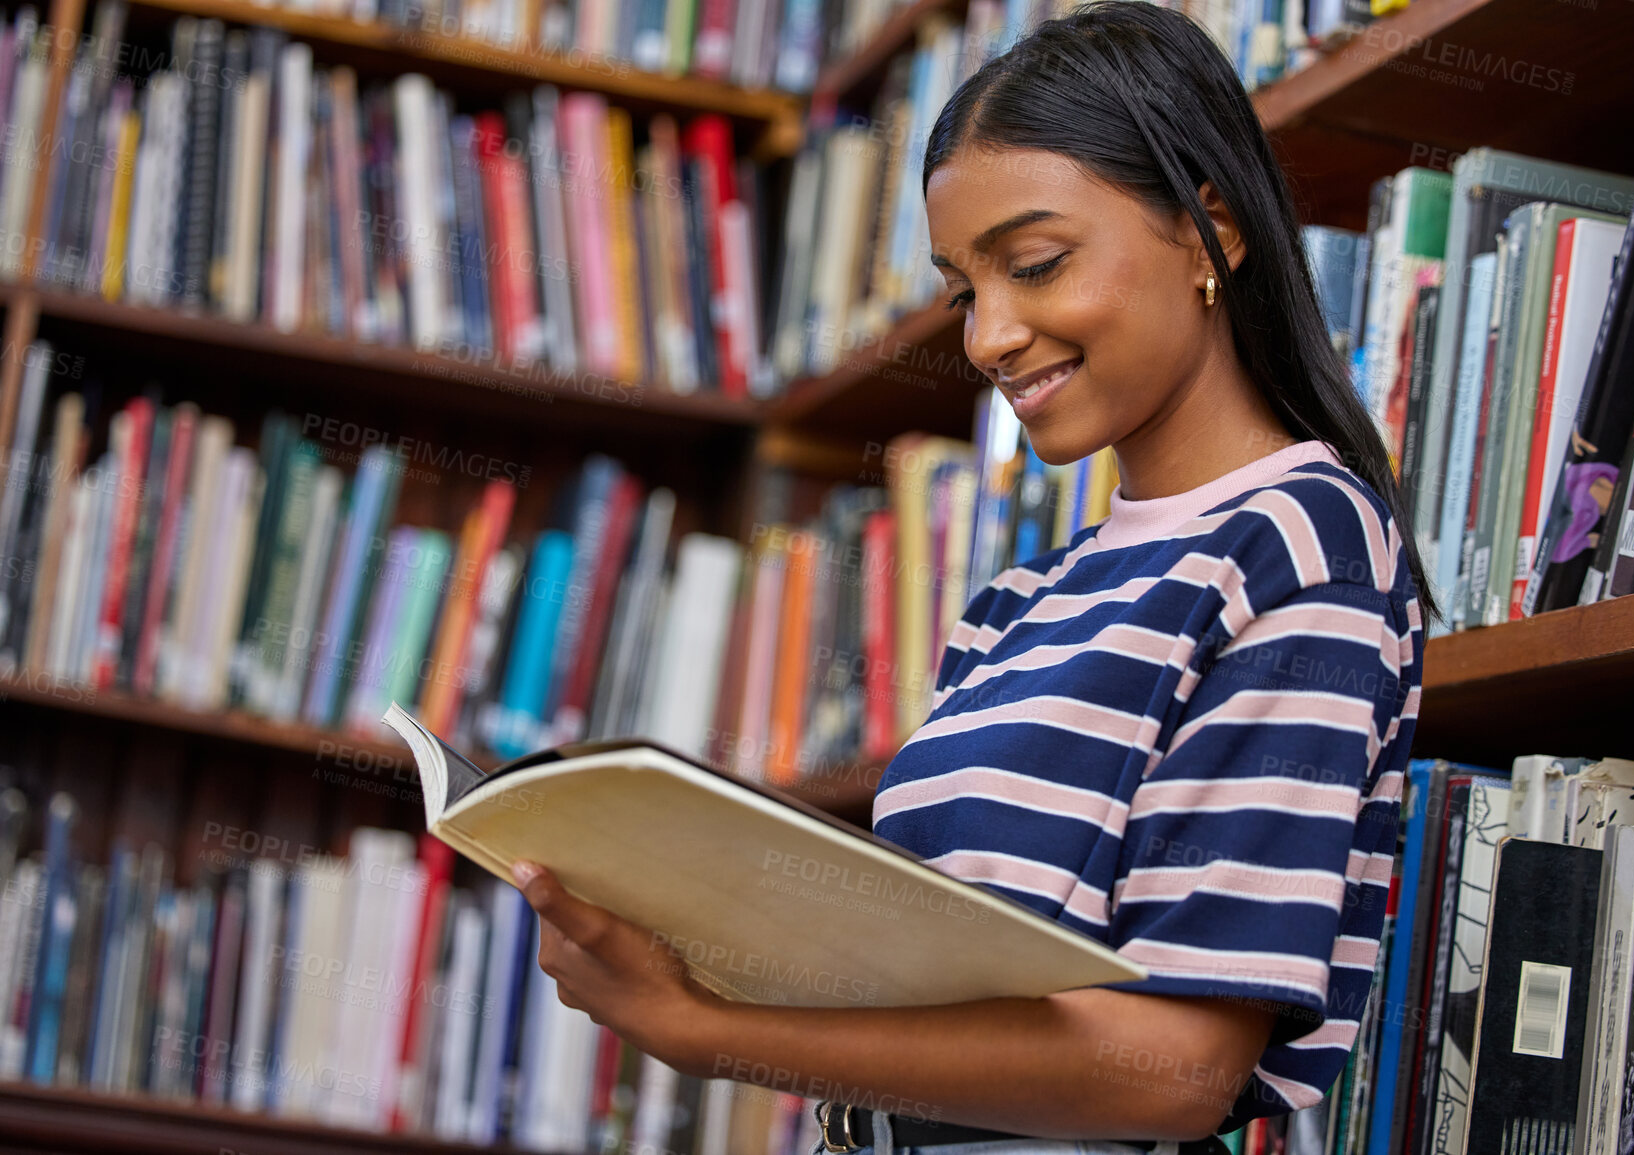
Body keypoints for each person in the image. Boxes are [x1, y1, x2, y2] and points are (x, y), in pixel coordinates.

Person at [508, 2, 1432, 1152]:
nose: (989, 335)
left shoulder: (1299, 548)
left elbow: (1178, 1071)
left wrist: (709, 1028)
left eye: (1035, 265)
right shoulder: (1021, 601)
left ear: (1211, 231)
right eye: (963, 289)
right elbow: (933, 987)